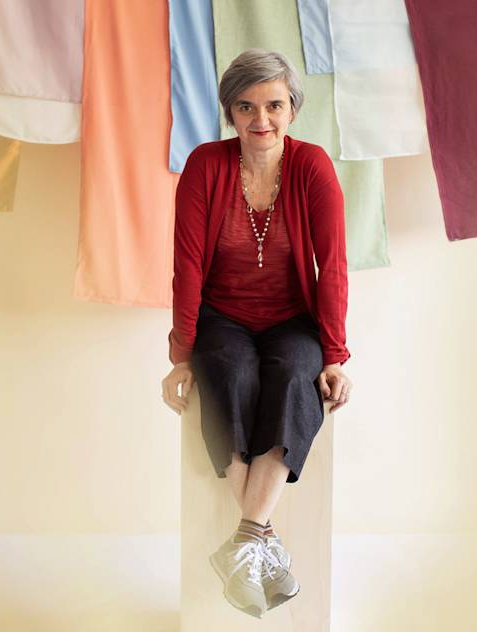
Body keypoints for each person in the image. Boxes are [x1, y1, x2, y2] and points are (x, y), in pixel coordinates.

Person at [161, 48, 353, 618]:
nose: (260, 119)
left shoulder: (313, 166)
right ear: (230, 112)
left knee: (296, 375)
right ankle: (259, 541)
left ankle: (245, 538)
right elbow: (186, 266)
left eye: (274, 104)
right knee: (229, 371)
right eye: (246, 106)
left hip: (293, 319)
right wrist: (181, 355)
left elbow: (333, 265)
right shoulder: (205, 165)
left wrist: (335, 354)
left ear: (293, 107)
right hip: (223, 317)